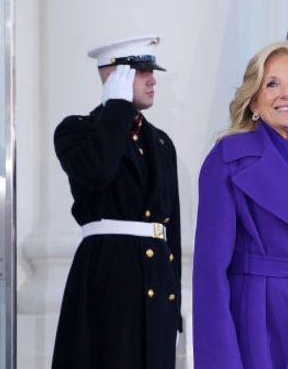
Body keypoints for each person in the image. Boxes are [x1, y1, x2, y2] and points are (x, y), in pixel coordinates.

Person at [192, 40, 288, 369]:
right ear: (253, 98)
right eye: (272, 84)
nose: (286, 94)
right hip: (262, 326)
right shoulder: (229, 159)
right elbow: (210, 273)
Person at [52, 35, 182, 369]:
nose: (152, 79)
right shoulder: (76, 131)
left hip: (156, 282)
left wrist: (174, 301)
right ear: (113, 77)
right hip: (109, 276)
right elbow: (96, 172)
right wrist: (117, 110)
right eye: (141, 71)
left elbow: (170, 229)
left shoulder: (162, 143)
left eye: (152, 70)